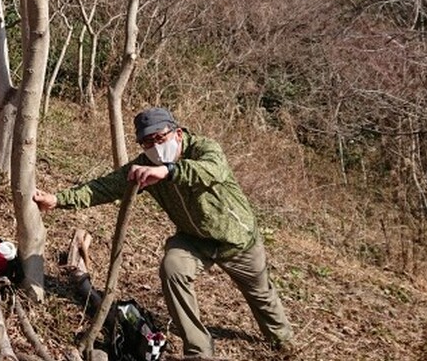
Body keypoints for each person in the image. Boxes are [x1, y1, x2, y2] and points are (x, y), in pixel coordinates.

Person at [33, 107, 294, 359]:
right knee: (173, 268)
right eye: (147, 142)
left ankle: (282, 341)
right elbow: (104, 187)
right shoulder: (145, 166)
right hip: (193, 240)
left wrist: (168, 172)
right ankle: (199, 349)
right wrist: (58, 200)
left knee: (261, 295)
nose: (156, 147)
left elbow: (211, 170)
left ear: (177, 133)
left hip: (237, 239)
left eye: (160, 138)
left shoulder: (204, 149)